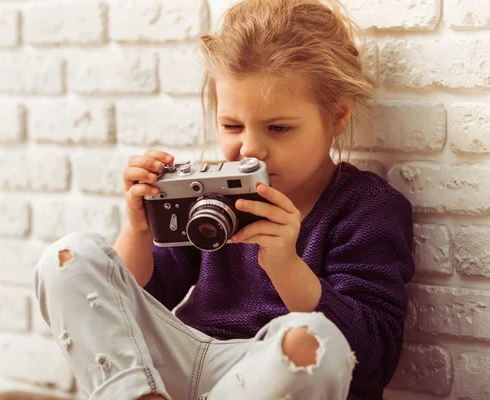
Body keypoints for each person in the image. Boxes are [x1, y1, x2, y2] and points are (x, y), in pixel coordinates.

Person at [33, 0, 415, 399]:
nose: (250, 149)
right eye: (232, 126)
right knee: (69, 257)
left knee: (314, 339)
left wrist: (285, 264)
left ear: (337, 116)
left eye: (279, 128)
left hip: (270, 378)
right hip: (186, 364)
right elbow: (129, 310)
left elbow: (372, 354)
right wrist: (139, 230)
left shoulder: (367, 208)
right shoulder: (211, 191)